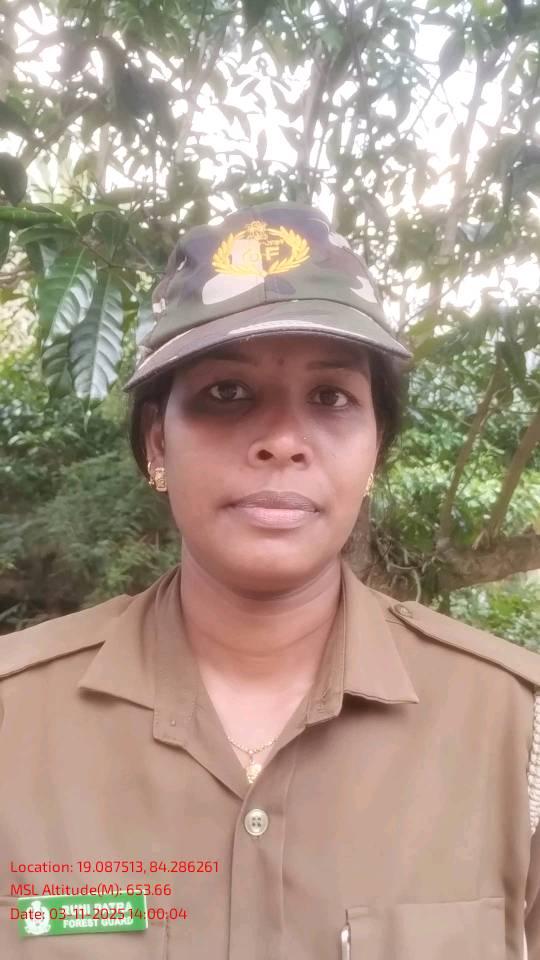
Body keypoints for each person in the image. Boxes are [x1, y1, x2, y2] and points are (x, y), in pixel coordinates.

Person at [0, 200, 539, 959]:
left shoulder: (518, 735)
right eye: (227, 393)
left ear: (376, 450)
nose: (283, 440)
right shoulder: (14, 720)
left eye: (331, 398)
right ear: (157, 444)